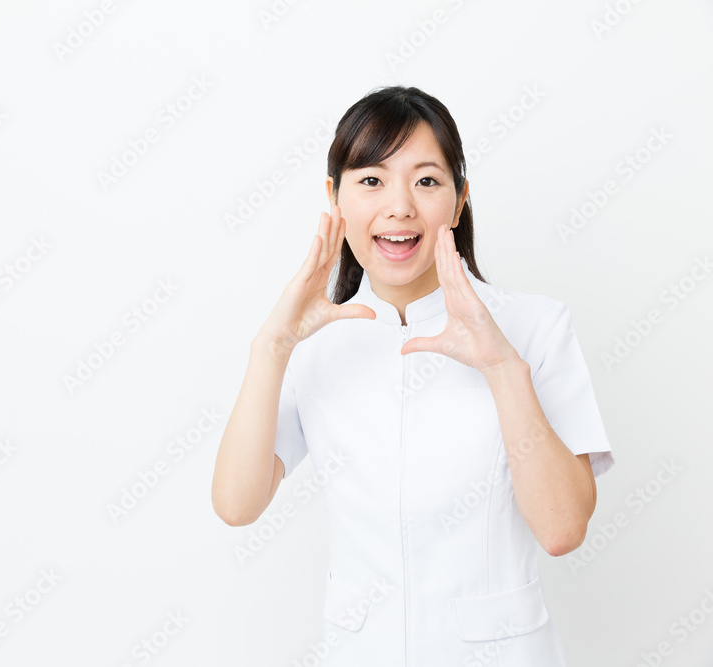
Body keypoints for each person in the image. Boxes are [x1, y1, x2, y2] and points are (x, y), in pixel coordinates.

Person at [210, 85, 615, 665]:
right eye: (371, 180)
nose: (399, 205)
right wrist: (271, 345)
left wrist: (501, 366)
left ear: (459, 200)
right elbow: (236, 504)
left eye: (426, 180)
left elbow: (562, 529)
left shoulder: (534, 327)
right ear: (335, 198)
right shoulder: (310, 341)